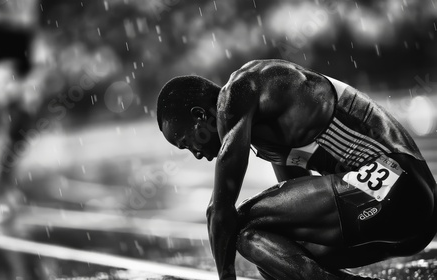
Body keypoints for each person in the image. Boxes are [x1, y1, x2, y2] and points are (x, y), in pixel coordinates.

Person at [156, 59, 437, 280]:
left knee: (241, 224)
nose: (195, 153)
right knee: (268, 253)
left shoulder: (239, 91)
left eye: (186, 143)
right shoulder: (269, 130)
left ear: (199, 115)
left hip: (400, 187)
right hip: (412, 224)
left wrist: (226, 277)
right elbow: (298, 213)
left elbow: (220, 211)